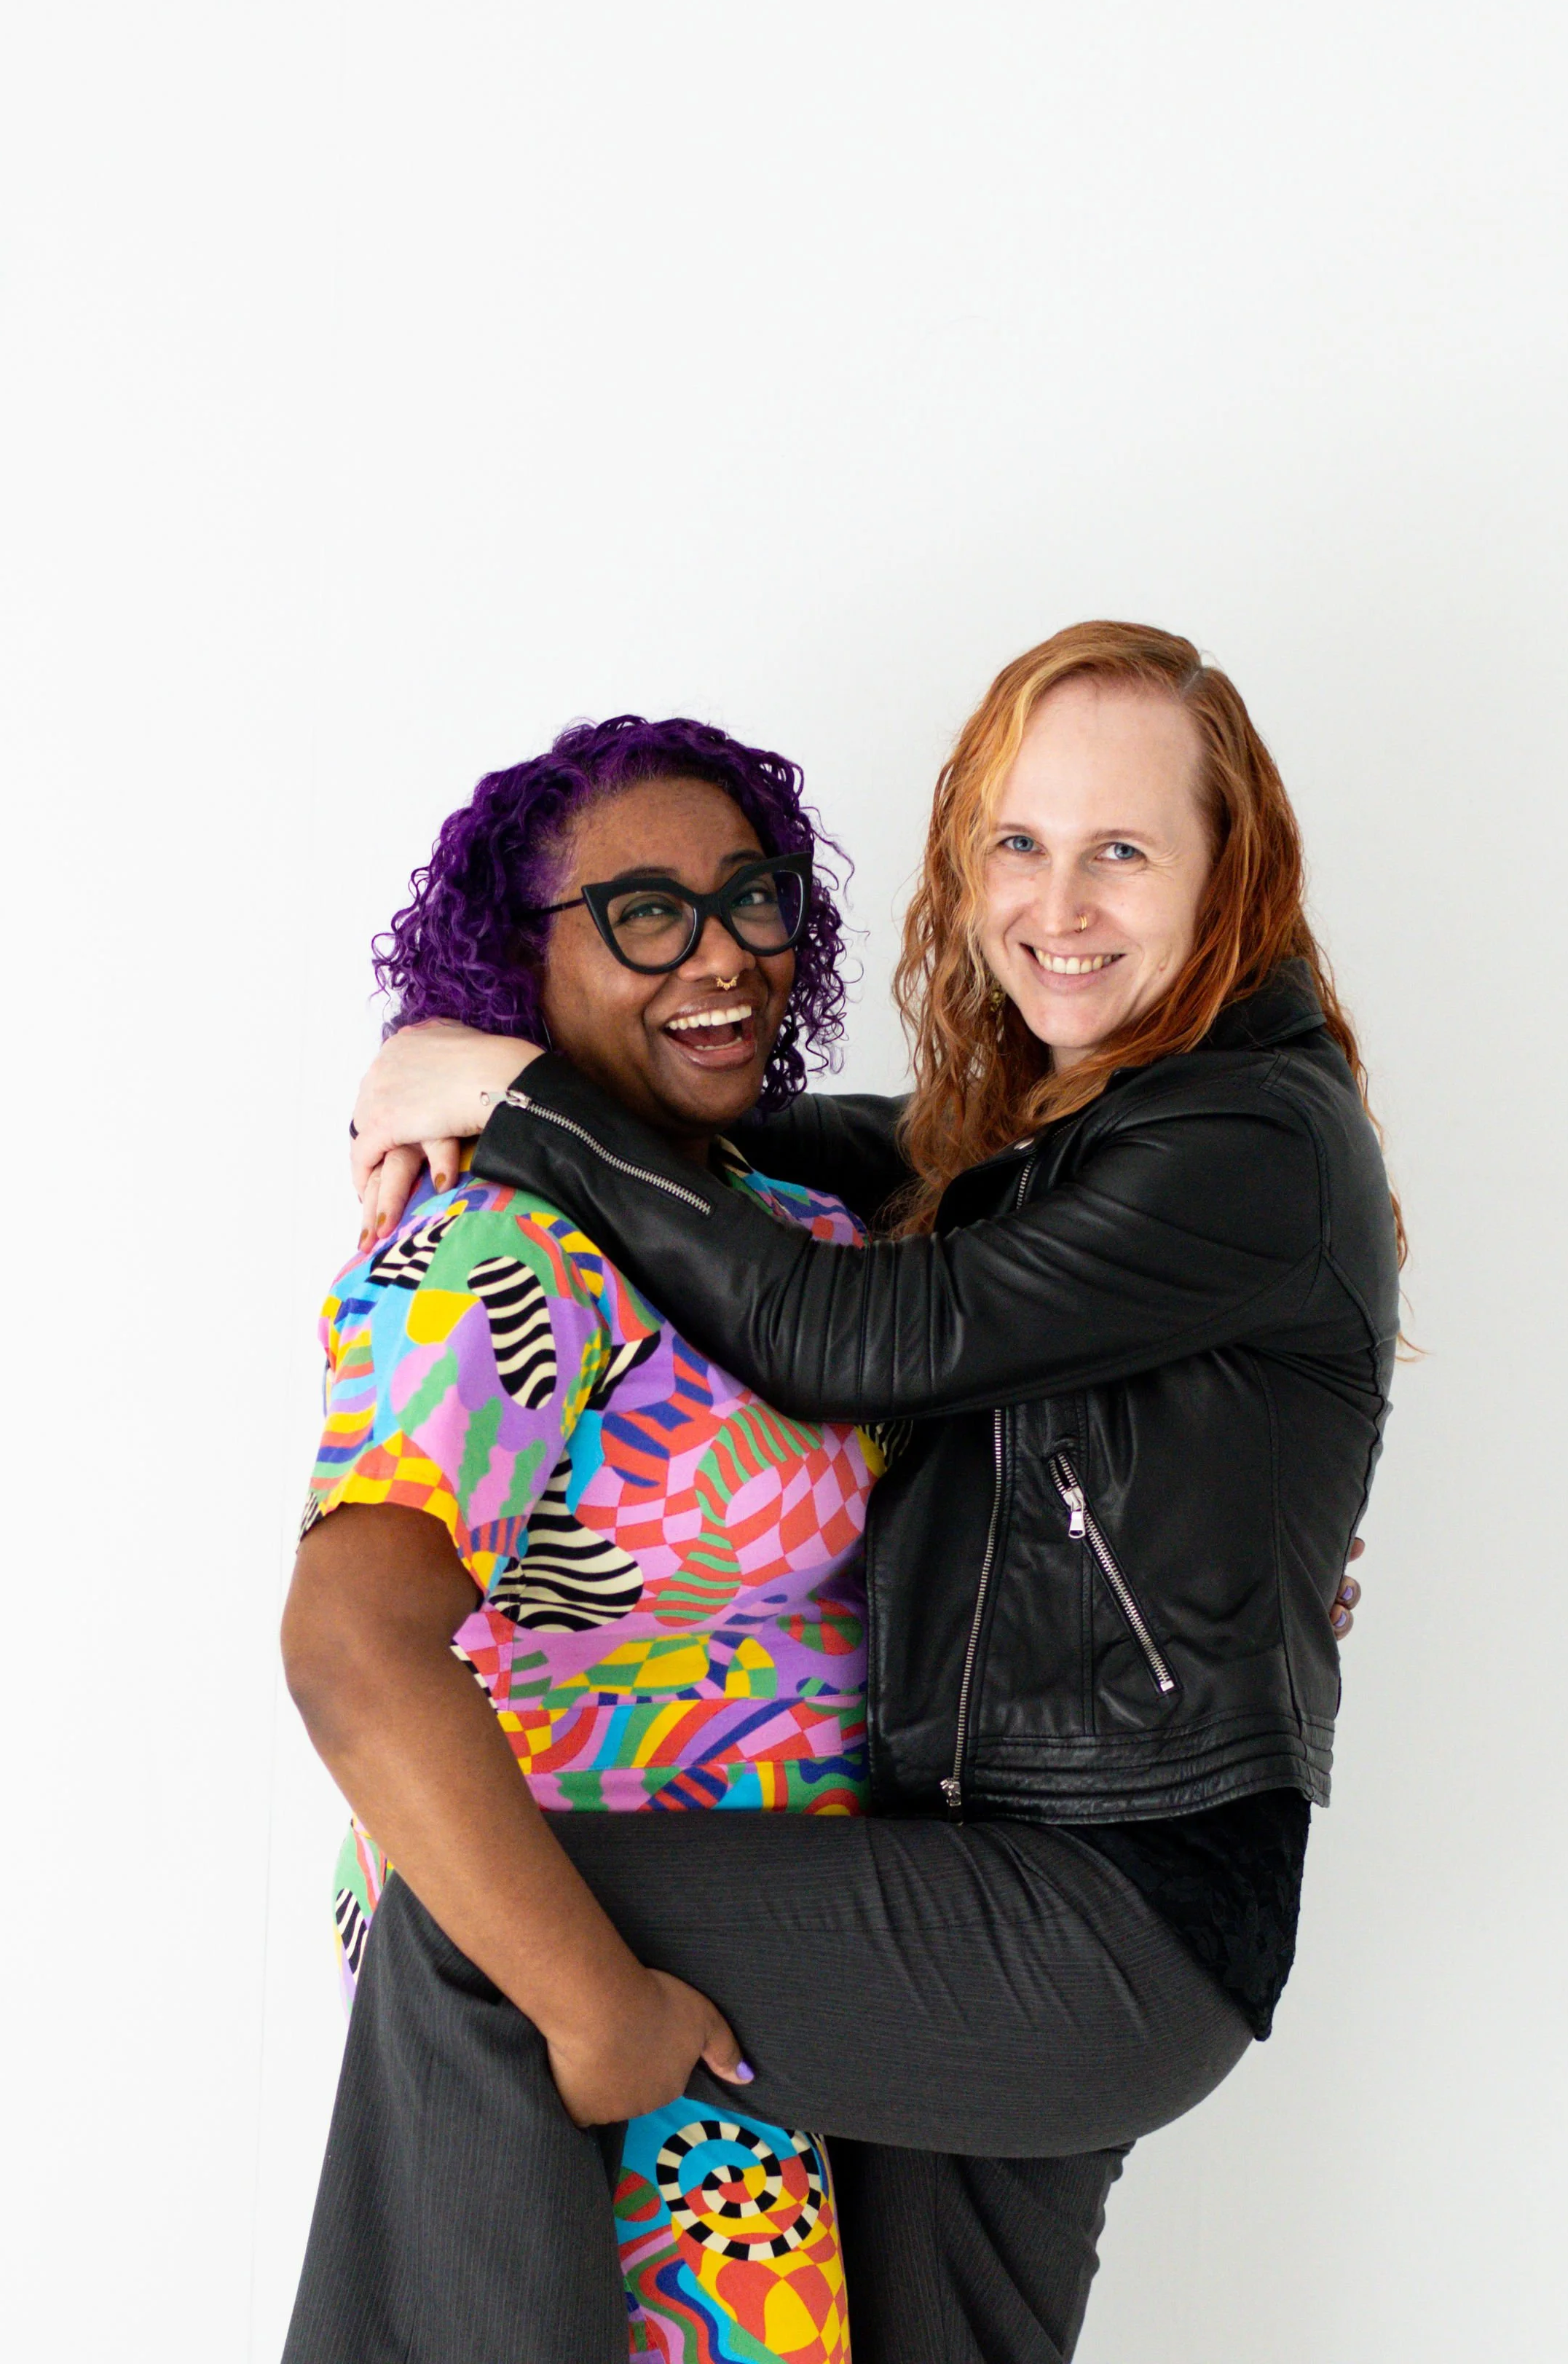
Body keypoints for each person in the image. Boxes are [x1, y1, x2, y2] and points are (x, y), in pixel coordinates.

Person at [330, 621, 1395, 2364]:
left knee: (487, 1929)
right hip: (1005, 1875)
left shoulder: (1246, 1145)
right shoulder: (1090, 1122)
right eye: (1019, 847)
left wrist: (520, 1098)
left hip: (1096, 1913)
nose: (1061, 903)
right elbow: (863, 1151)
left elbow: (845, 1332)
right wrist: (541, 1080)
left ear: (1234, 876)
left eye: (1123, 849)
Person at [283, 716, 887, 2364]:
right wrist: (591, 2009)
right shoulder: (501, 1252)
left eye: (752, 899)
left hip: (774, 1967)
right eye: (643, 913)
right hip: (574, 1962)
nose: (721, 955)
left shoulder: (789, 1224)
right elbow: (351, 1650)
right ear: (517, 964)